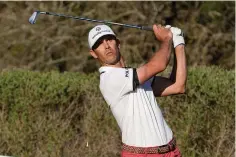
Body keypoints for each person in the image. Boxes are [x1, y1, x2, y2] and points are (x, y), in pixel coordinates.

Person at [88, 24, 187, 157]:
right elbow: (159, 64)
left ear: (118, 43)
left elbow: (178, 85)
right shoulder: (109, 78)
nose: (106, 46)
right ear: (93, 53)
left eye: (109, 39)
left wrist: (178, 43)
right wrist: (166, 39)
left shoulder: (135, 76)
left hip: (171, 151)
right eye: (99, 43)